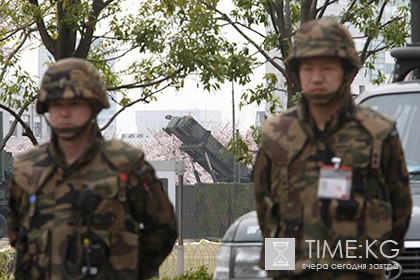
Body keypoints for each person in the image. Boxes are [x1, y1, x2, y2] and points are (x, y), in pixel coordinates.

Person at [252, 19, 412, 280]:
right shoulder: (276, 135)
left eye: (327, 68)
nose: (316, 77)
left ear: (348, 73)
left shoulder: (378, 133)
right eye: (308, 68)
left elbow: (400, 209)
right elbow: (265, 209)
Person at [7, 57, 178, 279]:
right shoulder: (28, 168)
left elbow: (163, 228)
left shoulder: (126, 164)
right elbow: (18, 237)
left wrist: (130, 272)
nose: (65, 113)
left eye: (75, 104)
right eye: (57, 105)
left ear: (93, 106)